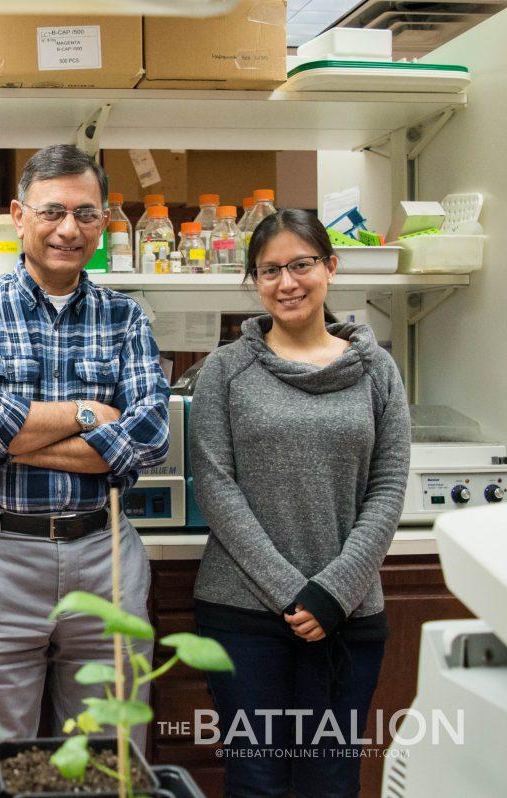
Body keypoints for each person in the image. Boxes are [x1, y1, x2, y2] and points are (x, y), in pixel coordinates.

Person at [0, 144, 170, 739]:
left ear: (104, 222)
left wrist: (9, 435)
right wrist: (91, 413)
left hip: (104, 553)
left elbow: (147, 440)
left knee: (109, 749)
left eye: (87, 214)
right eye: (52, 211)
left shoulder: (127, 317)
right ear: (19, 216)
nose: (70, 228)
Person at [189, 208, 410, 797]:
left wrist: (332, 593)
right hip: (243, 617)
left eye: (301, 265)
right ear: (255, 282)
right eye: (269, 271)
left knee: (331, 780)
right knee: (256, 779)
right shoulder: (225, 371)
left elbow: (388, 488)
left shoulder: (378, 371)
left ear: (330, 269)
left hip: (349, 614)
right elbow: (215, 486)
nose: (286, 283)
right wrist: (294, 593)